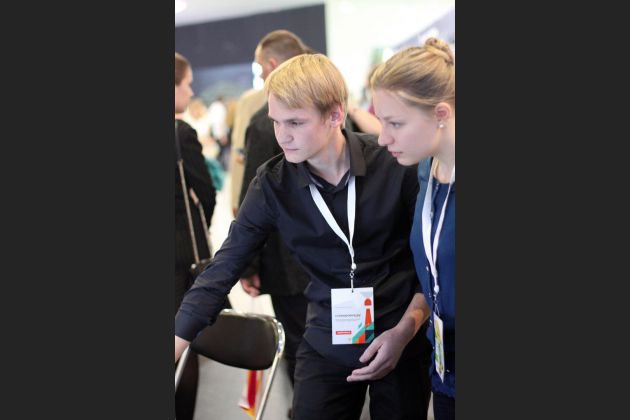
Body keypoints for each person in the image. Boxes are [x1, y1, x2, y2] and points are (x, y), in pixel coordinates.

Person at [176, 53, 431, 420]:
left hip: (401, 335)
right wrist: (177, 340)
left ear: (335, 115)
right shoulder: (273, 183)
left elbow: (431, 265)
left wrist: (407, 329)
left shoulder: (393, 165)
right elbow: (223, 267)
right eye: (276, 122)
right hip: (327, 337)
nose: (282, 136)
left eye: (295, 122)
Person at [369, 38, 455, 420]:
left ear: (440, 114)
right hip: (444, 370)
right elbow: (435, 276)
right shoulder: (426, 171)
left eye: (395, 123)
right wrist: (405, 329)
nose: (382, 137)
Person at [237, 30, 312, 392]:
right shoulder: (327, 112)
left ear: (270, 64)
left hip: (287, 259)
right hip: (331, 258)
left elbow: (253, 197)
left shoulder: (263, 122)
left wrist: (248, 265)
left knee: (298, 345)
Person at [174, 52, 218, 420]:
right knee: (182, 345)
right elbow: (205, 191)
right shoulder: (180, 133)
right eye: (187, 84)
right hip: (179, 258)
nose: (191, 92)